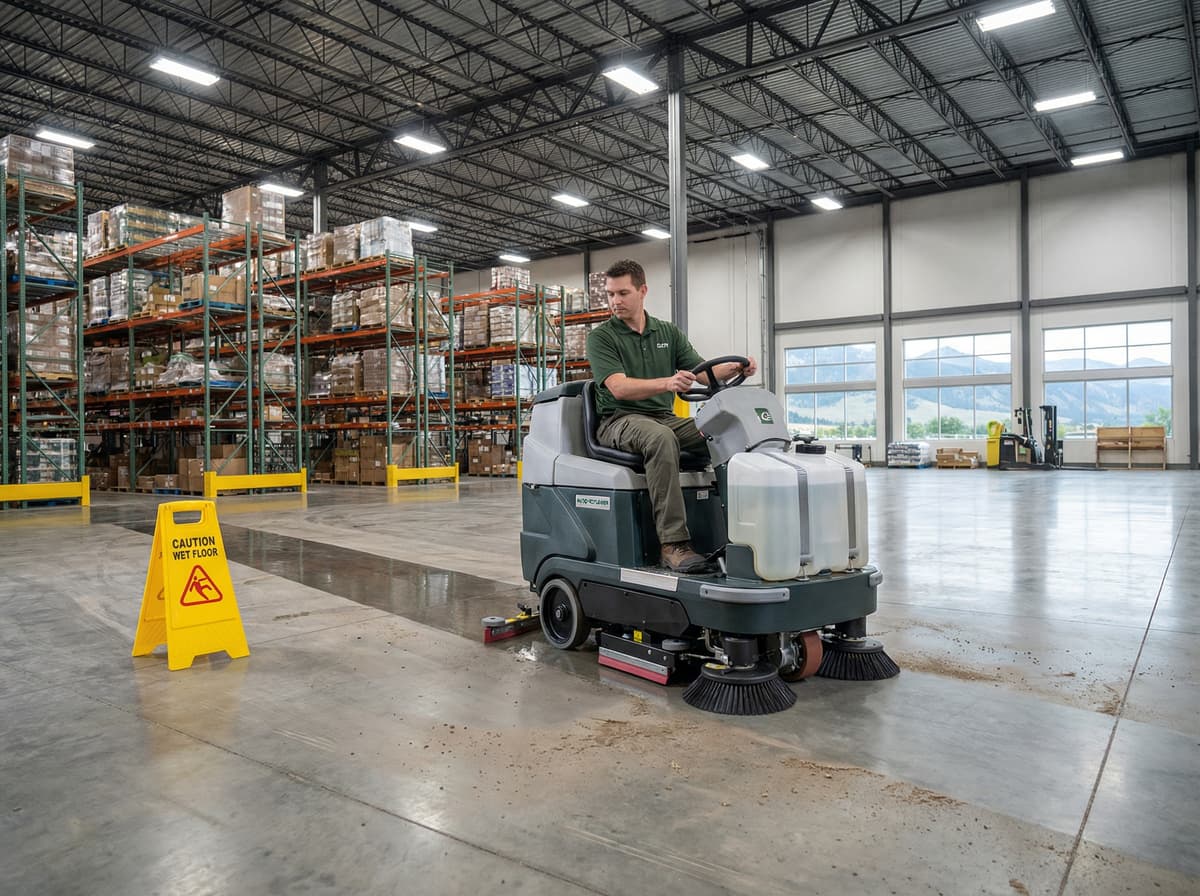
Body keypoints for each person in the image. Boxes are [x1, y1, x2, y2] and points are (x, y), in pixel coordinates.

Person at [586, 259, 757, 574]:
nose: (615, 301)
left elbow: (703, 372)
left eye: (622, 293)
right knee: (661, 439)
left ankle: (744, 528)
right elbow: (619, 387)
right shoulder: (602, 337)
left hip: (662, 416)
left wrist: (737, 367)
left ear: (643, 291)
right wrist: (667, 383)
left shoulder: (666, 332)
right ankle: (673, 544)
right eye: (610, 294)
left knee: (726, 432)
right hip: (619, 420)